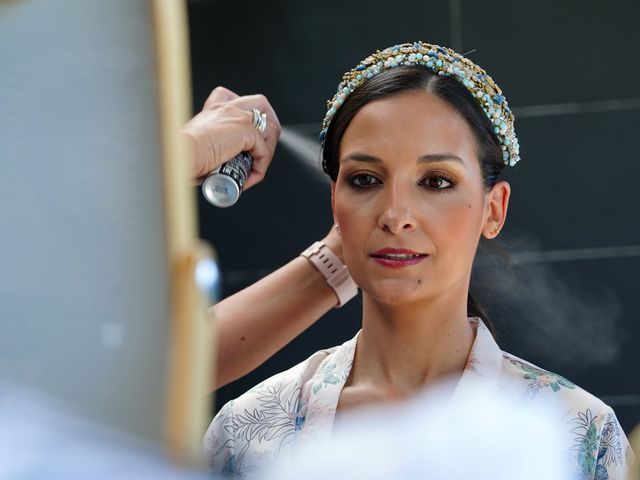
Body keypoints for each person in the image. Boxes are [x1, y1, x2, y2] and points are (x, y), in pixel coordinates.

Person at [202, 42, 634, 479]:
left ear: (494, 210)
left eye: (436, 181)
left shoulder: (580, 435)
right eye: (365, 179)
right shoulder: (247, 432)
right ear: (335, 202)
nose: (395, 216)